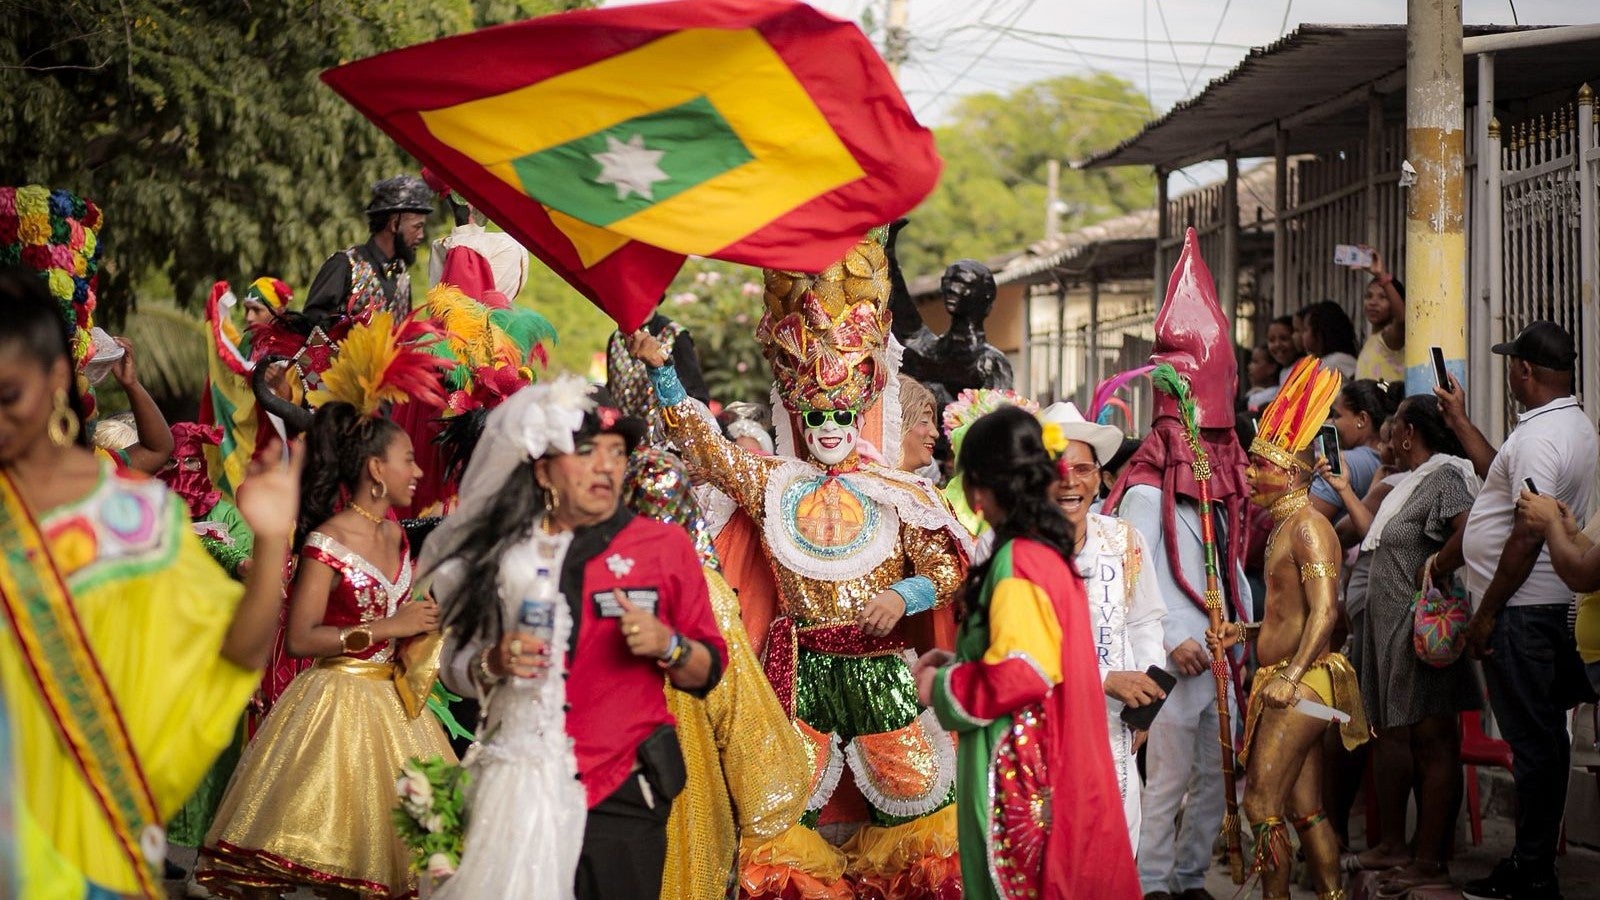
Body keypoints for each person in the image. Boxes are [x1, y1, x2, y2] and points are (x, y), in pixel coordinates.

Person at [629, 231, 971, 898]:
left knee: (921, 805)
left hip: (882, 673)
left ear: (864, 408)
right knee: (782, 804)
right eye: (816, 414)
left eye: (843, 411)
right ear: (798, 412)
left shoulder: (901, 495)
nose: (830, 427)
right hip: (801, 672)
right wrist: (664, 374)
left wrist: (905, 595)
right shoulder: (773, 484)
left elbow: (947, 567)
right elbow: (706, 450)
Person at [0, 266, 300, 898]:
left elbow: (233, 656)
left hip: (83, 839)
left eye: (7, 397)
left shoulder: (134, 518)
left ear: (58, 379)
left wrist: (273, 541)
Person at [423, 377, 726, 900]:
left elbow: (708, 670)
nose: (606, 466)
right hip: (518, 788)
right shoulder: (505, 554)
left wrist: (668, 646)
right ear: (544, 471)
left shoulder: (664, 546)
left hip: (624, 790)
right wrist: (493, 662)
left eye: (616, 452)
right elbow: (453, 665)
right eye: (586, 452)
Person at [197, 401, 454, 898]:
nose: (419, 469)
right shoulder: (327, 539)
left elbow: (400, 620)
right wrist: (388, 627)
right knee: (341, 861)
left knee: (416, 861)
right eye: (407, 458)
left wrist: (422, 631)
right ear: (377, 469)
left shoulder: (398, 535)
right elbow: (300, 637)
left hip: (399, 711)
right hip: (333, 707)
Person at [913, 404, 1140, 899]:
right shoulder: (1044, 552)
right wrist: (957, 663)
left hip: (1018, 772)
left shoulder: (1017, 561)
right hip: (1047, 761)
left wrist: (943, 687)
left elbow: (1023, 670)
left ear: (978, 486)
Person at [1102, 230, 1252, 900]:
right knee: (1164, 780)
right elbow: (1133, 582)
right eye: (1206, 435)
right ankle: (1154, 881)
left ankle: (1192, 878)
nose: (1213, 449)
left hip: (1222, 657)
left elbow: (1235, 570)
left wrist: (1242, 632)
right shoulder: (1139, 492)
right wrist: (1169, 642)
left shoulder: (1222, 492)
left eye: (1221, 437)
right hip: (1171, 662)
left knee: (1222, 775)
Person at [1441, 321, 1597, 900]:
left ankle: (1533, 871)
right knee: (1543, 742)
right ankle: (1532, 863)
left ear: (1525, 371)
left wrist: (1487, 614)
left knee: (1534, 746)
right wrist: (1459, 421)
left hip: (1524, 613)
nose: (1509, 370)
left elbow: (1528, 534)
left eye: (1512, 363)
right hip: (1542, 608)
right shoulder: (1567, 425)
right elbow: (1500, 484)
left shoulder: (1539, 437)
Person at [1208, 355, 1368, 900]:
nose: (1250, 475)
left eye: (1261, 466)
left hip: (1302, 684)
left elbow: (1327, 612)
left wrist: (1291, 675)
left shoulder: (1309, 528)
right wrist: (1247, 633)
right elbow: (1292, 614)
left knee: (1260, 805)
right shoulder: (1284, 528)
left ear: (1295, 473)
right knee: (1306, 809)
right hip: (1287, 677)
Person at [621, 448, 810, 900]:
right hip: (688, 772)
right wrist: (767, 788)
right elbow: (736, 698)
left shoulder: (589, 576)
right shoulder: (702, 588)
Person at [1322, 394, 1481, 891]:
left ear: (1410, 433)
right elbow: (1372, 534)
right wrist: (1345, 490)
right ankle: (1394, 846)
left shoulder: (1447, 475)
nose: (1389, 437)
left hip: (1420, 632)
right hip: (1389, 633)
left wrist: (1436, 566)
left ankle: (1430, 859)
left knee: (1434, 741)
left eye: (1395, 430)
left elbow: (1470, 529)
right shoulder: (1406, 484)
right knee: (1397, 735)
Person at [1039, 401, 1166, 851]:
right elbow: (1009, 657)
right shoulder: (1006, 549)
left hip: (1113, 735)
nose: (1069, 481)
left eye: (1082, 467)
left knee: (1113, 855)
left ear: (1099, 477)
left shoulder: (1121, 539)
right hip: (1036, 742)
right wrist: (1101, 681)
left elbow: (1146, 621)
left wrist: (1145, 706)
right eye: (1055, 468)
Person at [886, 220, 1013, 406]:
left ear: (985, 296)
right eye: (948, 281)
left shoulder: (990, 363)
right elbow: (906, 319)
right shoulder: (928, 350)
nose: (952, 289)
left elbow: (994, 423)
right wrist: (888, 251)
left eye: (962, 283)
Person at [303, 174, 434, 330]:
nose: (421, 235)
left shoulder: (402, 275)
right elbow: (312, 320)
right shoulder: (345, 264)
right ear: (393, 224)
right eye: (417, 227)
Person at [606, 301, 712, 444]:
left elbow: (698, 397)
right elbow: (612, 391)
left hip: (663, 449)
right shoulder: (616, 338)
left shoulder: (675, 335)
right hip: (625, 445)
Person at [1309, 379, 1399, 523]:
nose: (1330, 422)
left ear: (1362, 419)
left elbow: (1306, 522)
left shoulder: (1342, 464)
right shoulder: (1388, 462)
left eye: (1337, 416)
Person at [1351, 246, 1405, 382]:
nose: (1373, 302)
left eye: (1383, 297)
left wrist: (1382, 276)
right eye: (1369, 296)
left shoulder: (1389, 338)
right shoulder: (1373, 339)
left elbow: (1403, 320)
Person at [1297, 300, 1360, 380]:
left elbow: (1360, 382)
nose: (1302, 335)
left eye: (1306, 329)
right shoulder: (1315, 362)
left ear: (1320, 333)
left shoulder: (1339, 359)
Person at [897, 374, 939, 475]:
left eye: (932, 422)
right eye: (924, 421)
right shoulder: (865, 486)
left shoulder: (925, 489)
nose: (935, 433)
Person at [1244, 344, 1283, 412]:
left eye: (1255, 362)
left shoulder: (1269, 396)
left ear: (1272, 368)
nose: (1249, 366)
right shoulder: (1253, 394)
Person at [1266, 315, 1301, 381]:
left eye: (1284, 338)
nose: (1277, 344)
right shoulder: (1283, 373)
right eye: (1271, 340)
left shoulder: (1304, 370)